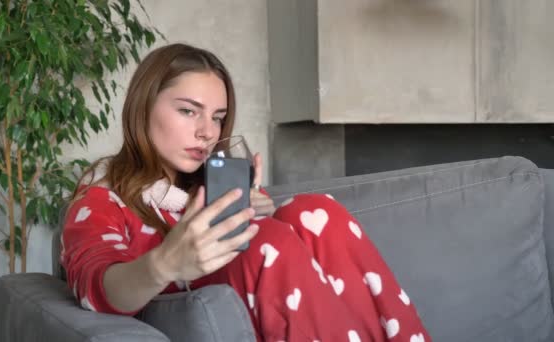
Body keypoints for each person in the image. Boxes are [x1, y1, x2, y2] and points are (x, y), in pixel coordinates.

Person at [61, 43, 431, 342]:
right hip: (184, 313)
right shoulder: (102, 196)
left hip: (260, 307)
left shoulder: (214, 187)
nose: (207, 131)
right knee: (266, 238)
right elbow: (94, 285)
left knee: (315, 212)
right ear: (142, 109)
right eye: (189, 111)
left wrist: (266, 217)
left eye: (218, 117)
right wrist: (166, 262)